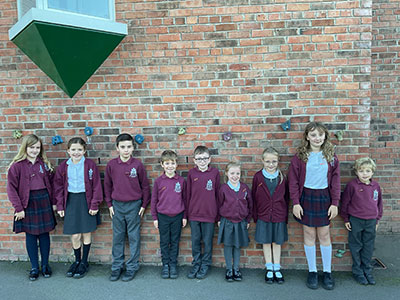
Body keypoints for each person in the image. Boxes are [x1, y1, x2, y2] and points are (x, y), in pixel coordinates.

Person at [288, 122, 340, 290]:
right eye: (313, 135)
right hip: (306, 197)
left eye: (320, 135)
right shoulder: (300, 156)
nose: (317, 138)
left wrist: (335, 203)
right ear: (307, 137)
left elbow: (336, 181)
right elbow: (293, 182)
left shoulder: (331, 156)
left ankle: (327, 272)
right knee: (309, 233)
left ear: (325, 136)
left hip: (324, 197)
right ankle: (312, 271)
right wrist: (295, 202)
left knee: (324, 234)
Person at [7, 134, 56, 281]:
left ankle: (45, 265)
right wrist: (19, 208)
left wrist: (53, 202)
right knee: (31, 235)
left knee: (44, 234)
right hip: (27, 203)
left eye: (37, 148)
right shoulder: (17, 166)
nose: (35, 150)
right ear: (25, 148)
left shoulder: (44, 164)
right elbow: (11, 189)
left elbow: (52, 186)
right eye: (32, 147)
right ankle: (34, 267)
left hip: (43, 201)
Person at [54, 137, 103, 279]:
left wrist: (94, 204)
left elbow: (96, 186)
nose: (76, 152)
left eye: (79, 150)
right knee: (75, 234)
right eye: (73, 150)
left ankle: (84, 262)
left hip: (86, 200)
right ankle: (76, 259)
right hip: (70, 200)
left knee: (86, 232)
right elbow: (58, 187)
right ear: (68, 151)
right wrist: (60, 205)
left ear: (84, 151)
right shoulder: (64, 166)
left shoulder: (90, 165)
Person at [104, 133, 150, 282]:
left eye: (129, 147)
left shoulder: (137, 165)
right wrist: (109, 204)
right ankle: (117, 266)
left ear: (133, 148)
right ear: (117, 148)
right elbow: (107, 186)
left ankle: (132, 267)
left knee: (133, 237)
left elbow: (145, 186)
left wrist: (143, 205)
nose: (126, 150)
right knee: (118, 237)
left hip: (134, 205)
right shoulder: (112, 165)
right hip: (117, 205)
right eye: (122, 147)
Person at [340, 157, 383, 285]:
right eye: (361, 171)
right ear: (356, 172)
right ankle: (358, 272)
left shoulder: (375, 186)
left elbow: (379, 203)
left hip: (371, 221)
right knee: (356, 245)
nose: (365, 174)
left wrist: (377, 219)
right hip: (356, 220)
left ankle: (367, 271)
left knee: (368, 246)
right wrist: (346, 218)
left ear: (372, 172)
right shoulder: (352, 186)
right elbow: (345, 203)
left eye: (368, 171)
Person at [252, 147, 289, 284]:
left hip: (279, 215)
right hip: (263, 214)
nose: (271, 164)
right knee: (266, 241)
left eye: (274, 161)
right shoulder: (258, 177)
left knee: (277, 241)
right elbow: (254, 197)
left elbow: (286, 198)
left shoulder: (282, 177)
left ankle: (277, 267)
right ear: (262, 161)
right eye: (267, 161)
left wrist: (284, 216)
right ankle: (269, 268)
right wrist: (255, 215)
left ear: (278, 161)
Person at [151, 150, 187, 279]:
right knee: (164, 242)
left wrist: (184, 216)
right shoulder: (159, 181)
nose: (170, 166)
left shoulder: (181, 181)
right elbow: (154, 200)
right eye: (167, 163)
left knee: (175, 241)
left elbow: (185, 199)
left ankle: (173, 264)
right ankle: (165, 265)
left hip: (177, 216)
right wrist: (155, 217)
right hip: (163, 216)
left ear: (176, 164)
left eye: (172, 163)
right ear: (162, 164)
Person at [186, 146, 220, 279]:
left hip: (210, 214)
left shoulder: (215, 173)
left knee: (207, 241)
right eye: (199, 159)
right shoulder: (191, 174)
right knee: (195, 241)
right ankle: (196, 264)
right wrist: (187, 214)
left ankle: (205, 264)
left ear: (209, 159)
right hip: (194, 214)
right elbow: (187, 195)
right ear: (194, 160)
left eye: (205, 158)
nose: (202, 161)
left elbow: (218, 195)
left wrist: (218, 216)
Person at [217, 162, 252, 282]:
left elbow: (250, 205)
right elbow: (218, 204)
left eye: (238, 173)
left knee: (237, 246)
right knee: (228, 245)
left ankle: (236, 269)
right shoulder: (223, 189)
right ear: (227, 173)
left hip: (240, 221)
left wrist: (248, 219)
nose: (235, 176)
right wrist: (218, 219)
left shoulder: (244, 188)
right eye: (232, 173)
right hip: (227, 221)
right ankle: (229, 269)